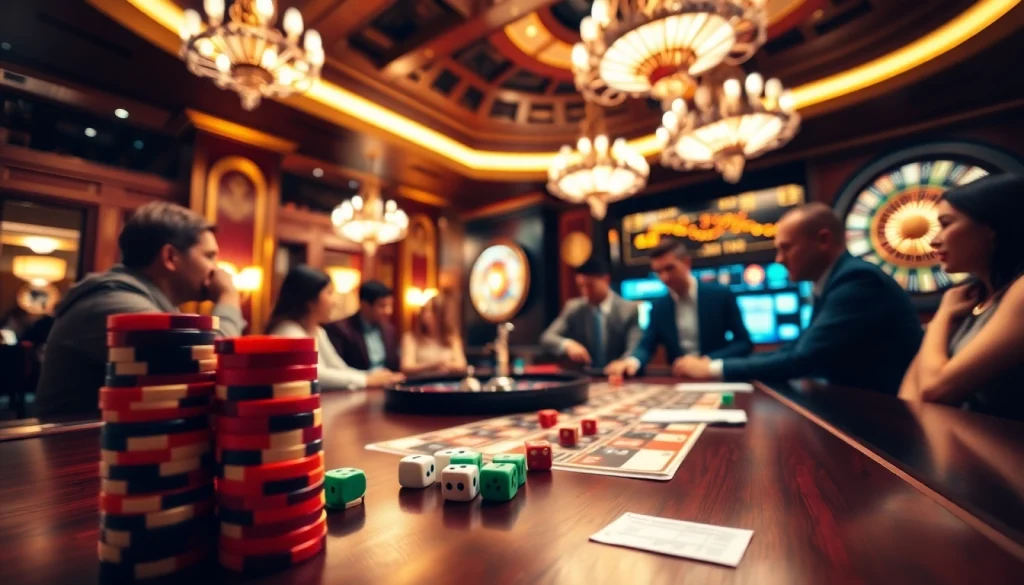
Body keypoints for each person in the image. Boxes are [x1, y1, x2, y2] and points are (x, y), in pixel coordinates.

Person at [677, 203, 922, 393]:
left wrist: (712, 369)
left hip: (888, 421)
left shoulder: (857, 280)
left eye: (786, 248)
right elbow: (796, 348)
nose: (779, 260)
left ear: (823, 240)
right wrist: (714, 365)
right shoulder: (835, 281)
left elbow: (803, 359)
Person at [35, 202, 245, 417]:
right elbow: (207, 363)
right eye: (209, 256)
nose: (216, 269)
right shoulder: (113, 302)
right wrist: (228, 296)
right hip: (75, 438)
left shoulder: (145, 301)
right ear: (170, 257)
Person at [898, 174, 1024, 420]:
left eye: (946, 224)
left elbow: (934, 390)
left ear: (991, 228)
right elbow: (909, 396)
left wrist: (941, 318)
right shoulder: (970, 298)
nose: (934, 241)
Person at [605, 239, 752, 377]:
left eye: (670, 268)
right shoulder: (659, 307)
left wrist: (707, 362)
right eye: (658, 272)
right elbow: (646, 345)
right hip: (679, 378)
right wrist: (631, 362)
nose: (664, 277)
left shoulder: (720, 295)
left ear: (686, 263)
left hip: (714, 376)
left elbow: (743, 343)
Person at [268, 265, 405, 389]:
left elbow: (337, 367)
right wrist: (366, 380)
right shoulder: (288, 330)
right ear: (310, 300)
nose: (335, 301)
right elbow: (315, 374)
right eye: (329, 293)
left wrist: (373, 377)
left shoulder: (318, 331)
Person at [540, 257, 642, 369]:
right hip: (585, 374)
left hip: (617, 374)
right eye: (581, 286)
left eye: (590, 285)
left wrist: (625, 363)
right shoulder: (574, 308)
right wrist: (568, 344)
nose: (585, 292)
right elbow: (547, 337)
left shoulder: (628, 309)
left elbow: (635, 347)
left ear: (606, 279)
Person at [324, 280, 400, 372]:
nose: (389, 311)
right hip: (357, 380)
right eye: (382, 306)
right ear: (364, 305)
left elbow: (395, 365)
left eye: (390, 305)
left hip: (388, 379)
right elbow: (337, 369)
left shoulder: (389, 330)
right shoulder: (340, 329)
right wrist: (369, 377)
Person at [400, 294, 467, 375]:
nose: (426, 315)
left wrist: (445, 365)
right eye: (425, 311)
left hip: (448, 380)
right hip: (421, 381)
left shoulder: (452, 338)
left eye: (432, 311)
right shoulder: (411, 338)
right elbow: (406, 367)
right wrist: (432, 366)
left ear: (442, 315)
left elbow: (462, 365)